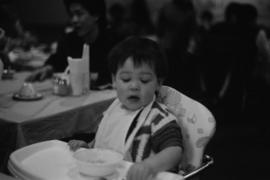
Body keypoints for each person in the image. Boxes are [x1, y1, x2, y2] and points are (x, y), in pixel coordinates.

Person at [68, 36, 183, 180]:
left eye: (144, 80)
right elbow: (105, 142)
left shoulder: (159, 119)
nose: (134, 86)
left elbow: (175, 150)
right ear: (114, 80)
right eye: (126, 79)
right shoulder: (114, 109)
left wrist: (149, 166)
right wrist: (88, 147)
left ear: (158, 83)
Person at [26, 0, 113, 86]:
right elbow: (57, 60)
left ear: (95, 15)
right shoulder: (69, 40)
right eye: (71, 15)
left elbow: (117, 73)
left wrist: (91, 77)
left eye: (79, 14)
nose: (74, 20)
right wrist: (48, 68)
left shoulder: (113, 41)